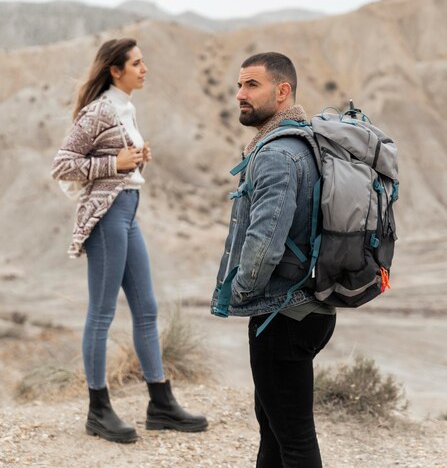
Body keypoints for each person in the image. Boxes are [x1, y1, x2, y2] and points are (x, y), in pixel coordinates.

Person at [52, 38, 207, 443]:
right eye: (137, 63)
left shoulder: (125, 107)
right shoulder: (99, 109)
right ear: (115, 70)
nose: (145, 68)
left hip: (128, 211)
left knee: (147, 308)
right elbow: (63, 164)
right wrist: (115, 163)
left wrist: (135, 159)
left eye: (143, 61)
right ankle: (98, 410)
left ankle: (161, 403)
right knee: (102, 314)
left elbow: (119, 161)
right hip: (107, 217)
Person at [211, 52, 336, 468]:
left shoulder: (276, 155)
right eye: (239, 85)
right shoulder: (306, 141)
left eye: (251, 85)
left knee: (295, 438)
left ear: (282, 92)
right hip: (307, 307)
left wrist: (242, 291)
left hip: (281, 315)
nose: (239, 95)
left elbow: (264, 244)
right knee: (274, 427)